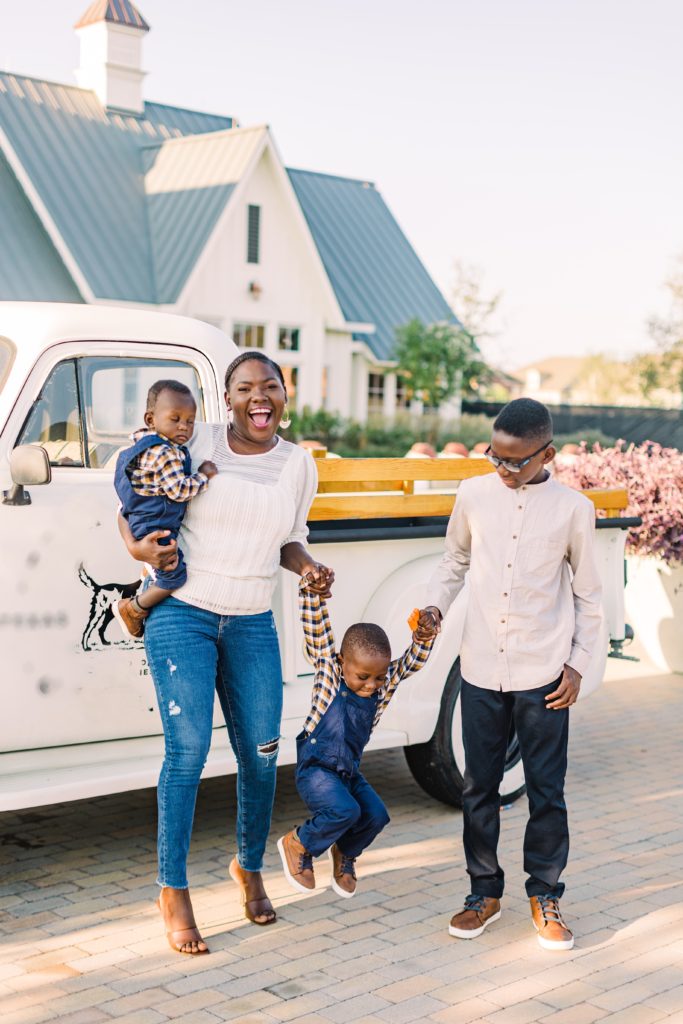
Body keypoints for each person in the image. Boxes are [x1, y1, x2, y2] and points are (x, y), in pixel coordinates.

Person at [117, 351, 333, 955]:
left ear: (285, 395)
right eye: (244, 388)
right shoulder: (194, 435)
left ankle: (248, 865)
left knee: (262, 753)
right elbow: (129, 497)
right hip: (183, 612)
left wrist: (309, 568)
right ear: (227, 398)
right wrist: (140, 552)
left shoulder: (298, 464)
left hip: (251, 621)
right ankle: (172, 889)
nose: (258, 397)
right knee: (186, 753)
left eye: (270, 387)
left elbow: (292, 539)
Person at [425, 397, 602, 951]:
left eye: (514, 462)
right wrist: (434, 606)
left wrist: (577, 666)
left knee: (547, 791)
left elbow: (590, 597)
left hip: (545, 672)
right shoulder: (473, 494)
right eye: (494, 457)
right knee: (479, 788)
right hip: (479, 667)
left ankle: (545, 894)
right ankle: (484, 893)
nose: (501, 470)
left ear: (545, 454)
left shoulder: (574, 509)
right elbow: (453, 561)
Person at [278, 578, 437, 898]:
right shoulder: (329, 673)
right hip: (316, 768)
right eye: (362, 676)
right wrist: (312, 591)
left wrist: (424, 636)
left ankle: (345, 852)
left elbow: (411, 663)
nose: (371, 685)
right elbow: (316, 633)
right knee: (345, 811)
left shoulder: (384, 682)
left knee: (376, 815)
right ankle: (298, 843)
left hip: (347, 770)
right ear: (342, 664)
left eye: (378, 677)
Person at [113, 380, 218, 638]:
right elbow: (178, 491)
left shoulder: (139, 445)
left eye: (190, 421)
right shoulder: (167, 453)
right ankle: (132, 608)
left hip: (137, 517)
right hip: (155, 523)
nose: (184, 426)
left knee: (161, 566)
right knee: (174, 578)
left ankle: (147, 572)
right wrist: (204, 476)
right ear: (151, 418)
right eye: (176, 419)